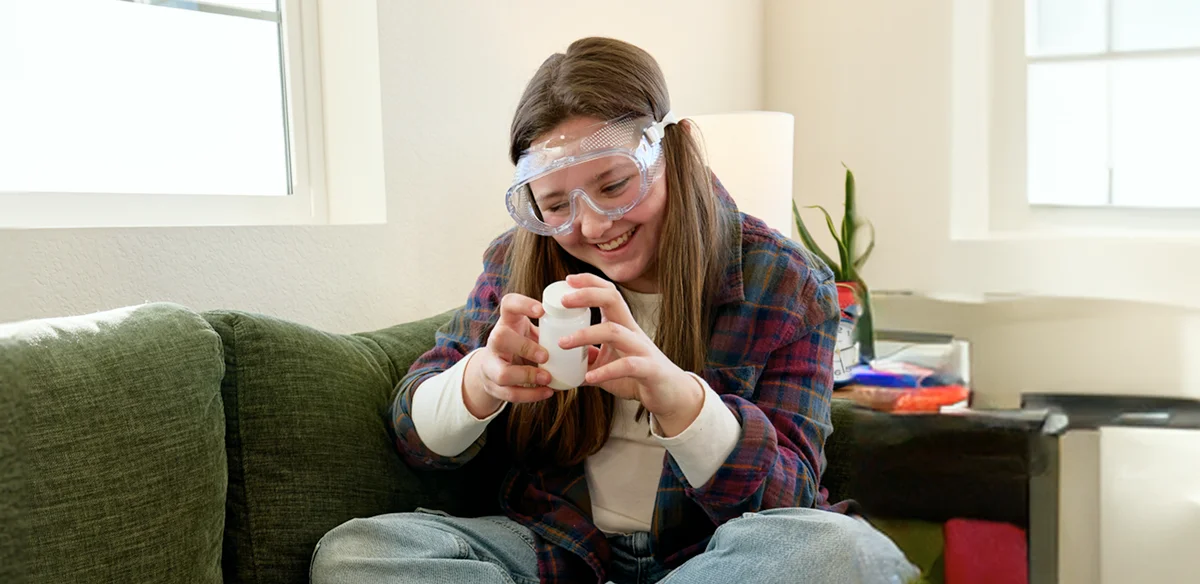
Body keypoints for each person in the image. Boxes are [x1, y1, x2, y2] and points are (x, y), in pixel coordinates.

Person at [310, 37, 918, 584]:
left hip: (711, 558)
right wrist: (480, 381)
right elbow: (414, 436)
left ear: (669, 153)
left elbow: (789, 497)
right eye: (556, 204)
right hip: (552, 550)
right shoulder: (516, 263)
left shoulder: (784, 280)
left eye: (614, 185)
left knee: (839, 552)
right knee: (359, 551)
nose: (595, 226)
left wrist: (679, 397)